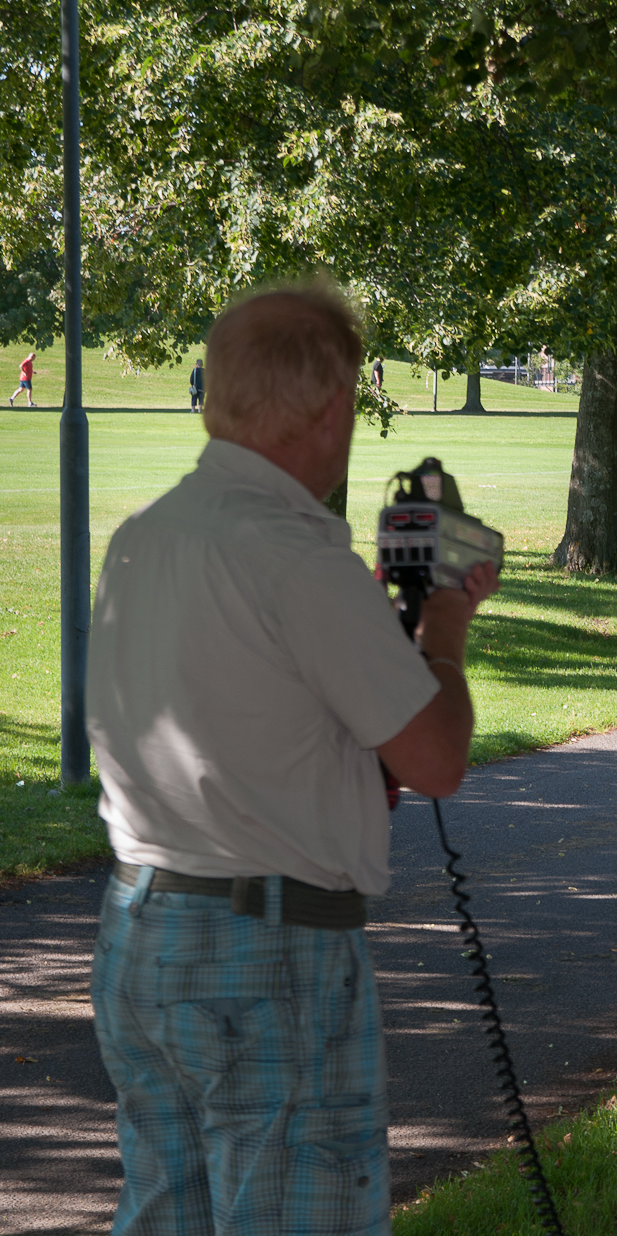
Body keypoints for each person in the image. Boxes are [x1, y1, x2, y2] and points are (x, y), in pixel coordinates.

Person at [85, 282, 499, 1234]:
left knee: (165, 1214)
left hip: (144, 931)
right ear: (332, 408)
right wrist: (442, 624)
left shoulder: (144, 540)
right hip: (269, 951)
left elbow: (268, 731)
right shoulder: (298, 554)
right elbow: (434, 760)